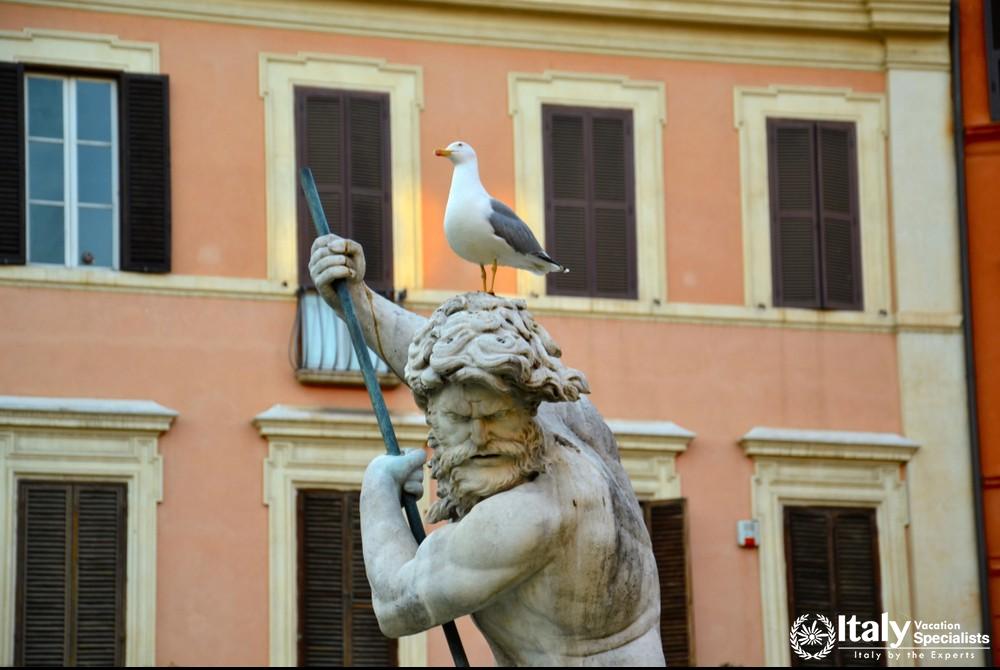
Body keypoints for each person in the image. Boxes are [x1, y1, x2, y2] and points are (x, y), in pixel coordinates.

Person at [309, 235, 665, 666]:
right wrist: (358, 301)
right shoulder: (568, 413)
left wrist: (378, 485)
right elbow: (441, 357)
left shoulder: (524, 516)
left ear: (525, 406)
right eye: (458, 420)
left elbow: (395, 603)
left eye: (495, 419)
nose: (479, 438)